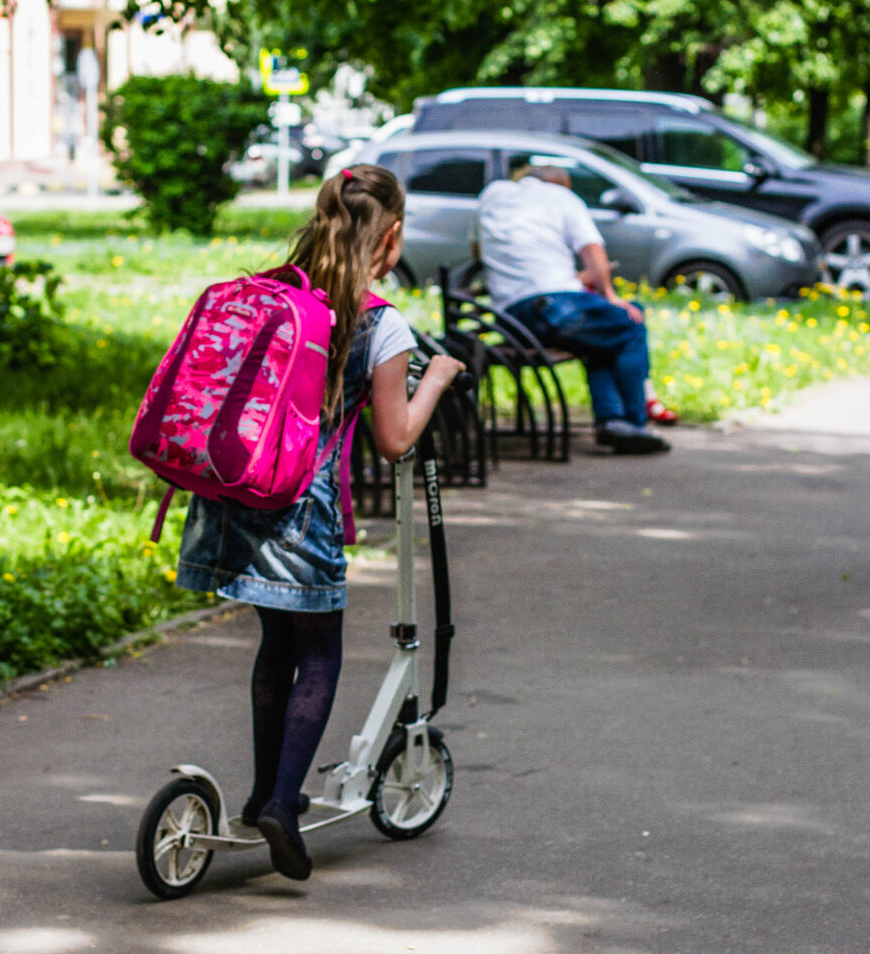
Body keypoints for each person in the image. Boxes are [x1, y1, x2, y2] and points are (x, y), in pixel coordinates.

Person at [174, 166, 463, 882]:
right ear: (390, 237)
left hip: (235, 495)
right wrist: (438, 379)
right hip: (302, 509)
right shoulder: (379, 322)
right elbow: (396, 439)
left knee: (276, 645)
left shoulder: (274, 292)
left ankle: (265, 790)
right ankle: (279, 804)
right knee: (321, 654)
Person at [477, 163, 671, 453]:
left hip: (511, 318)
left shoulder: (492, 195)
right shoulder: (562, 198)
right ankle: (633, 423)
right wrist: (610, 295)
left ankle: (612, 420)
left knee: (599, 337)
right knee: (630, 320)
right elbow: (592, 249)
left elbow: (481, 252)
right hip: (555, 308)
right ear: (561, 184)